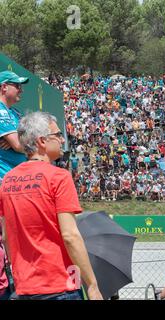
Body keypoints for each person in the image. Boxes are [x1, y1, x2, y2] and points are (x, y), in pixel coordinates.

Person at [0, 112, 103, 300]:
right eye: (57, 135)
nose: (62, 140)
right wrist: (93, 285)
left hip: (24, 287)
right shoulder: (58, 177)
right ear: (42, 141)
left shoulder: (7, 180)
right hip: (60, 285)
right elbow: (70, 236)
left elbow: (6, 236)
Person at [0, 70, 29, 301]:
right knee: (8, 232)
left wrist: (22, 142)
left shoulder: (15, 112)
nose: (21, 89)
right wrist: (22, 142)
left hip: (18, 180)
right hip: (5, 181)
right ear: (3, 87)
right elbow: (19, 144)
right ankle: (11, 274)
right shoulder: (0, 111)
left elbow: (23, 141)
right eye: (16, 85)